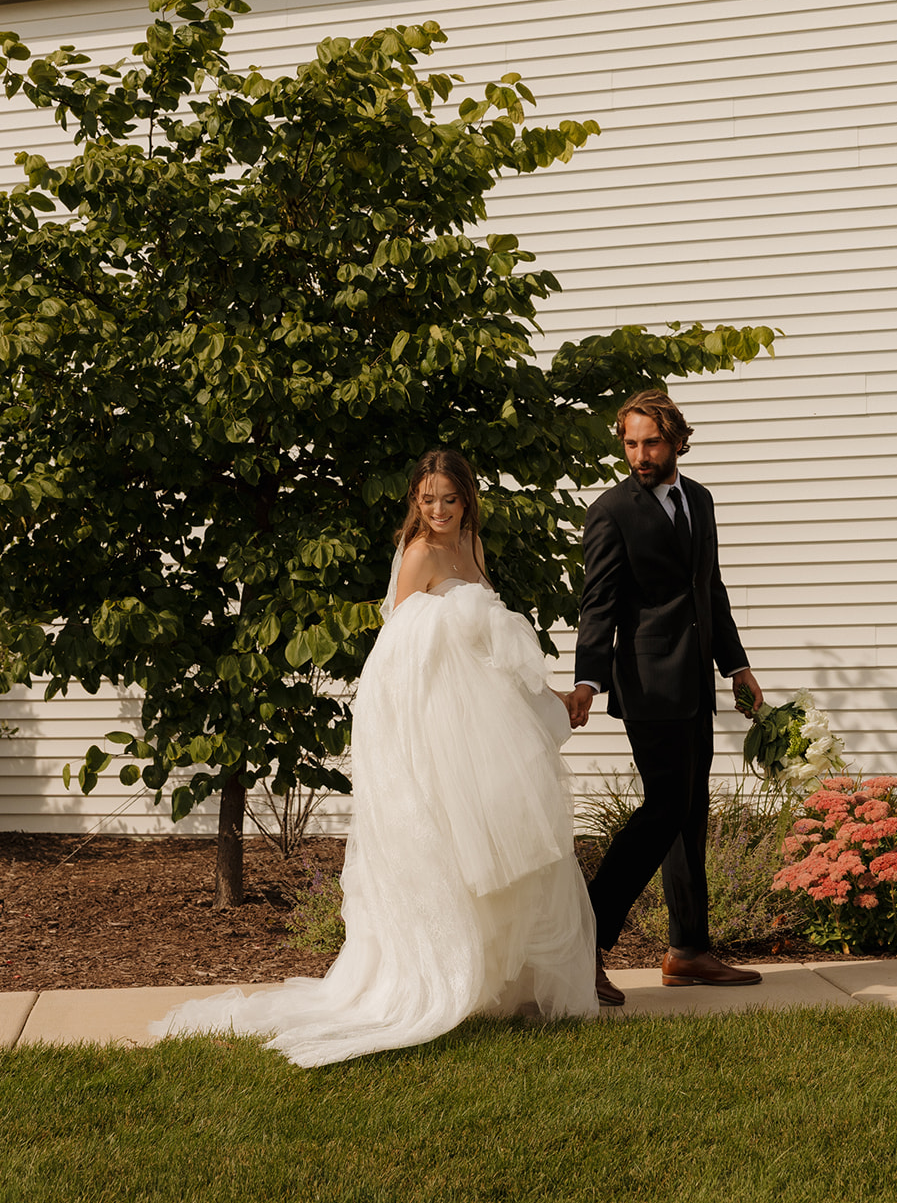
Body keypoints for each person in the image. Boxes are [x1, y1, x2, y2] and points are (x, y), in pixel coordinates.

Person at [153, 449, 597, 1064]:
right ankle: (436, 976)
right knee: (445, 846)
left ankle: (497, 980)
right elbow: (398, 652)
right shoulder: (418, 556)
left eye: (449, 498)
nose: (438, 510)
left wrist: (545, 694)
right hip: (431, 722)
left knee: (500, 842)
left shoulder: (472, 548)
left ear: (467, 499)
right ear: (415, 502)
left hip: (480, 720)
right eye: (427, 500)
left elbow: (492, 642)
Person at [567, 390, 764, 1006]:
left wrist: (736, 664)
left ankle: (688, 951)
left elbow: (710, 586)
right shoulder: (612, 512)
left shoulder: (699, 499)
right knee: (665, 807)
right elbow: (597, 605)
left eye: (650, 441)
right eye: (630, 443)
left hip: (694, 684)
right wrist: (588, 681)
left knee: (690, 813)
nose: (640, 454)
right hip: (647, 684)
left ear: (677, 438)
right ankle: (586, 939)